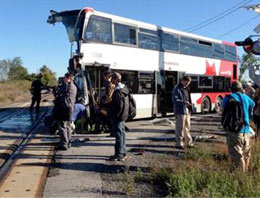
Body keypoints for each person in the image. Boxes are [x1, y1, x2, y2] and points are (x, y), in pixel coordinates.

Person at [222, 80, 255, 172]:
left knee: (237, 156)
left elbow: (223, 110)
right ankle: (245, 173)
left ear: (231, 89)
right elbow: (253, 105)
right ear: (241, 88)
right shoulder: (246, 98)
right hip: (246, 130)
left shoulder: (228, 98)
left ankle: (240, 177)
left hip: (234, 131)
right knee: (246, 155)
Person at [108, 72, 129, 161]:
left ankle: (119, 154)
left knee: (119, 135)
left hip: (118, 117)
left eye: (111, 78)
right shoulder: (124, 89)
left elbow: (118, 106)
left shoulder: (117, 91)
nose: (110, 80)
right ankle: (123, 152)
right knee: (122, 134)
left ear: (116, 79)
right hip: (123, 115)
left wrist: (113, 115)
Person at [54, 73, 77, 150]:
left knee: (62, 126)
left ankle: (64, 143)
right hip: (70, 108)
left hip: (64, 109)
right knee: (68, 126)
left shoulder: (67, 86)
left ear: (68, 78)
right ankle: (68, 142)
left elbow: (62, 98)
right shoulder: (74, 87)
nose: (63, 79)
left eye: (64, 78)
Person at [172, 75, 193, 149]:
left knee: (187, 127)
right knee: (180, 128)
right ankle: (179, 143)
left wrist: (190, 107)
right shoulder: (177, 89)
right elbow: (175, 100)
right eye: (186, 82)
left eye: (189, 83)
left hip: (186, 110)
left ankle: (189, 143)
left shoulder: (186, 89)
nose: (187, 84)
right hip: (180, 110)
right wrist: (184, 102)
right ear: (183, 81)